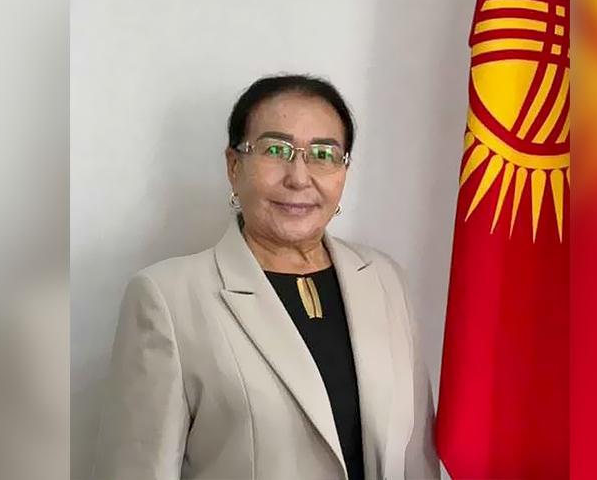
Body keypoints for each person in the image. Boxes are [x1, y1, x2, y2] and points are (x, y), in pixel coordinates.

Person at [93, 74, 439, 479]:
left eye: (323, 154)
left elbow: (417, 459)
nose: (299, 177)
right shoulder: (168, 299)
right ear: (234, 165)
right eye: (276, 150)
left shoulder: (384, 279)